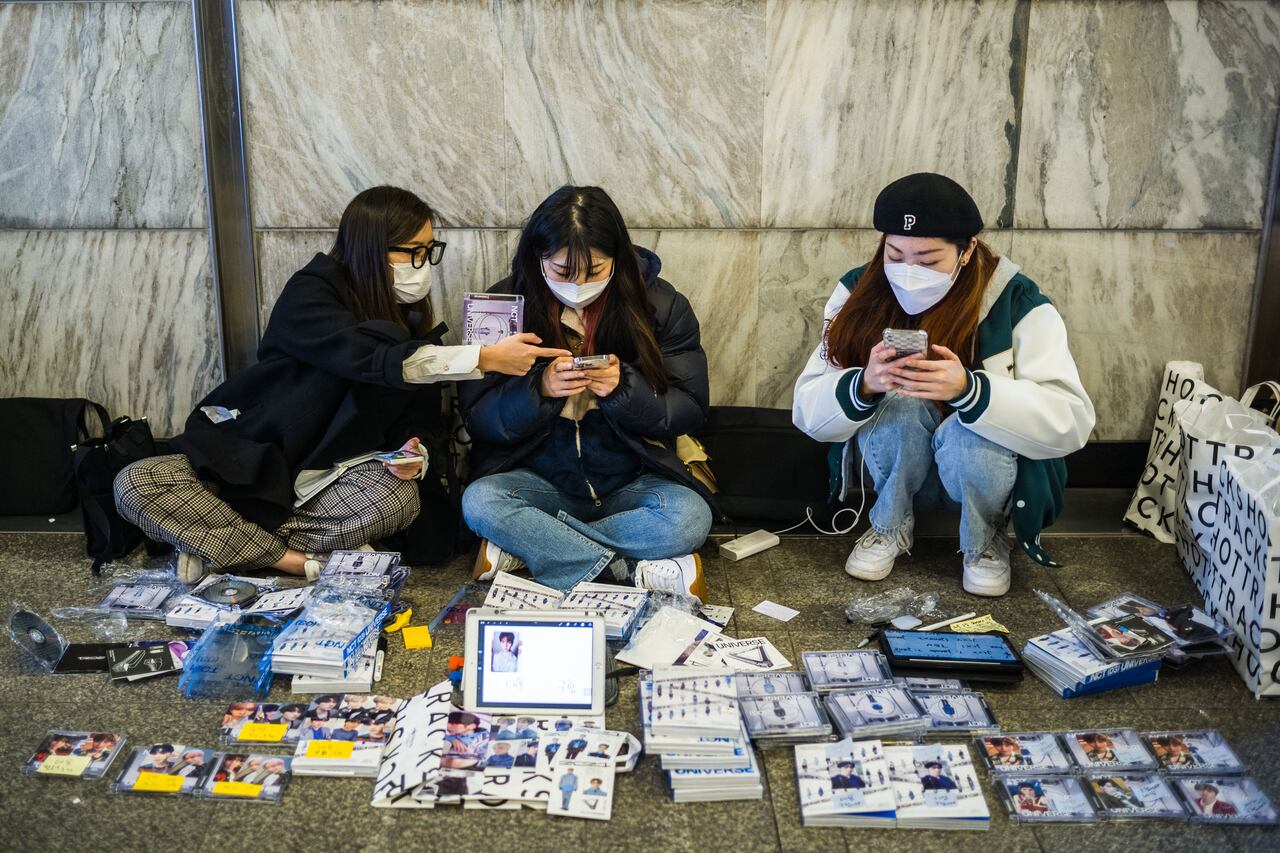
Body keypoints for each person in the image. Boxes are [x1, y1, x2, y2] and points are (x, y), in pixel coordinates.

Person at [114, 186, 565, 583]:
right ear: (372, 249)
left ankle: (220, 544)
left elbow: (424, 419)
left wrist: (416, 455)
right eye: (413, 251)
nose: (423, 265)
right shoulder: (312, 293)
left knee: (396, 499)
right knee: (138, 482)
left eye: (429, 251)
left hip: (332, 482)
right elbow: (369, 359)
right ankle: (292, 560)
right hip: (253, 463)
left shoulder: (410, 316)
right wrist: (483, 357)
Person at [792, 173, 1094, 597]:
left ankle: (985, 541)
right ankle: (888, 527)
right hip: (895, 466)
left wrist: (971, 392)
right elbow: (807, 412)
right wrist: (864, 384)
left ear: (967, 250)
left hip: (983, 472)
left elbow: (1072, 422)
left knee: (968, 427)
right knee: (899, 403)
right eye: (895, 254)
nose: (908, 272)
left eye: (929, 260)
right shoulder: (858, 288)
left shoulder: (1016, 300)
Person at [459, 185, 715, 597]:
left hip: (630, 477)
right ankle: (627, 571)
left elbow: (689, 408)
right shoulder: (503, 305)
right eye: (562, 271)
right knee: (480, 502)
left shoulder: (661, 306)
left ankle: (537, 547)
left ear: (617, 257)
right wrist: (540, 389)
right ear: (539, 258)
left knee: (689, 517)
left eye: (595, 270)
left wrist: (623, 390)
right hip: (538, 477)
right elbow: (479, 417)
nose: (578, 284)